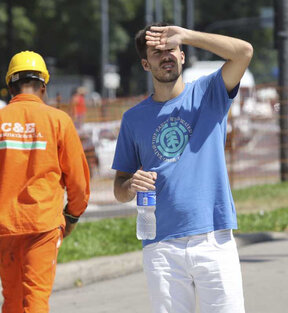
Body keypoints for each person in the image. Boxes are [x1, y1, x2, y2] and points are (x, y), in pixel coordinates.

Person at [112, 23, 253, 313]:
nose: (166, 56)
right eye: (157, 52)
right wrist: (130, 185)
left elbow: (244, 53)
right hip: (161, 245)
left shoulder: (209, 93)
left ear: (183, 56)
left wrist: (187, 35)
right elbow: (120, 188)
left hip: (213, 238)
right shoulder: (133, 119)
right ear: (145, 63)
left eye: (171, 49)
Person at [0, 50, 90, 313]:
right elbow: (78, 181)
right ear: (44, 86)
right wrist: (72, 215)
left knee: (13, 301)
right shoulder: (58, 121)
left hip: (4, 226)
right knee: (36, 301)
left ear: (10, 85)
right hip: (43, 225)